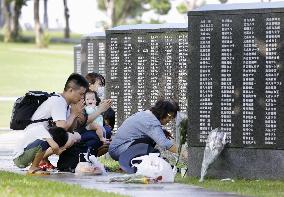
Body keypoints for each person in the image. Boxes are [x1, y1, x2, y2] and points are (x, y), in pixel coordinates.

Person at [13, 73, 89, 171]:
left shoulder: (66, 104)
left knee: (74, 136)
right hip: (24, 152)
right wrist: (74, 114)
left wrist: (75, 114)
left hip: (38, 143)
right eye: (81, 94)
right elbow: (61, 128)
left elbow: (70, 129)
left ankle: (43, 160)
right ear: (71, 90)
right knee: (69, 137)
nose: (82, 97)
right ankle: (37, 164)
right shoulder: (58, 101)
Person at [108, 99, 179, 173]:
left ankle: (135, 164)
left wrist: (162, 131)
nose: (170, 120)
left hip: (120, 148)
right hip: (119, 150)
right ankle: (132, 165)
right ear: (162, 112)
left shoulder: (148, 115)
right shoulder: (151, 122)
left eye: (172, 118)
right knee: (150, 149)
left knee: (148, 144)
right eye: (169, 116)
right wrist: (183, 152)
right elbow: (164, 143)